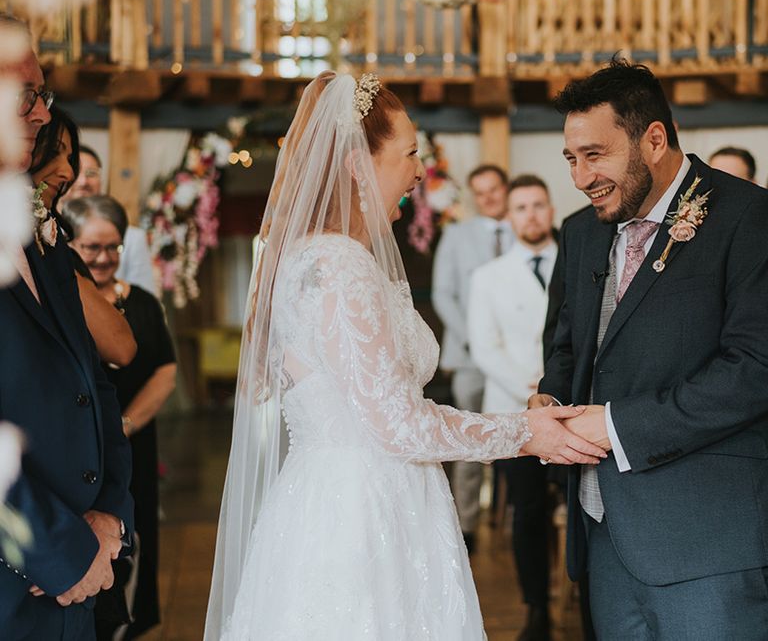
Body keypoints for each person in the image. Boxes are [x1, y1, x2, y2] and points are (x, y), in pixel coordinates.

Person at [203, 72, 606, 640]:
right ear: (355, 165)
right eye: (410, 154)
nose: (420, 171)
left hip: (335, 497)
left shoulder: (312, 259)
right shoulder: (338, 265)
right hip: (362, 518)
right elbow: (396, 424)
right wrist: (524, 433)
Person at [532, 57, 768, 639]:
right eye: (571, 158)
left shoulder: (749, 217)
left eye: (595, 155)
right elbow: (568, 346)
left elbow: (755, 370)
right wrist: (550, 398)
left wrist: (615, 426)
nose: (581, 177)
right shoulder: (581, 231)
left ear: (654, 139)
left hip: (706, 541)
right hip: (602, 532)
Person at [0, 13, 133, 641]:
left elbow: (94, 385)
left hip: (76, 581)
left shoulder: (40, 239)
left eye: (43, 97)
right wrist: (56, 550)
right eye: (27, 95)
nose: (41, 115)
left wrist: (110, 516)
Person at [62, 195, 177, 639]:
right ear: (71, 248)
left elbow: (164, 371)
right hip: (79, 450)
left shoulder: (143, 303)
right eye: (93, 248)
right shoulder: (63, 303)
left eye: (114, 247)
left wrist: (124, 425)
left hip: (131, 444)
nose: (105, 258)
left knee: (135, 539)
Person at [468, 174, 557, 641]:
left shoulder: (578, 262)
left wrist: (557, 385)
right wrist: (532, 389)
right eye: (521, 207)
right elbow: (484, 349)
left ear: (552, 210)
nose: (531, 215)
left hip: (575, 404)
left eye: (539, 205)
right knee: (529, 511)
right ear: (509, 217)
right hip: (514, 411)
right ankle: (536, 608)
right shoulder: (488, 277)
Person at [431, 163, 513, 553]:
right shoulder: (456, 236)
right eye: (480, 193)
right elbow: (442, 294)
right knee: (469, 441)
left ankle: (515, 518)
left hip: (517, 361)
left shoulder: (525, 231)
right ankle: (466, 525)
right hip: (468, 357)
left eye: (494, 190)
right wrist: (472, 338)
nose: (488, 199)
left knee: (519, 435)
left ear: (505, 188)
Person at [30, 105, 137, 368]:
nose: (68, 174)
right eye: (54, 152)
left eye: (70, 160)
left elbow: (121, 347)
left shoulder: (58, 252)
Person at [62, 145, 156, 296]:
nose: (83, 181)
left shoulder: (133, 238)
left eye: (91, 173)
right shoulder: (47, 235)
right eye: (75, 172)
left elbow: (145, 298)